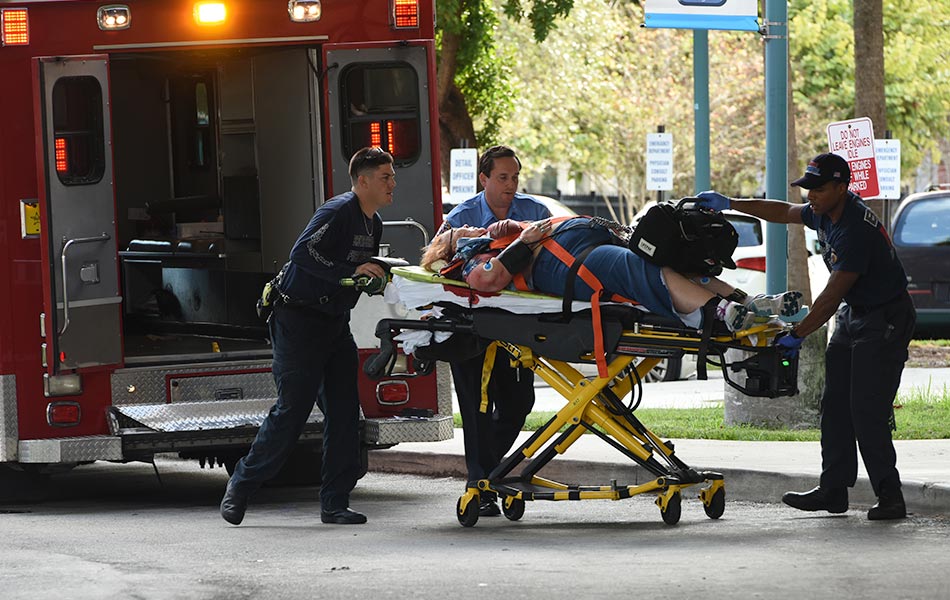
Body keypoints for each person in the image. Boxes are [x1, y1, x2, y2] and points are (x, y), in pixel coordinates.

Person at [697, 152, 916, 520]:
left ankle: (891, 496)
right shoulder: (824, 211)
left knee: (867, 409)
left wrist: (797, 333)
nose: (810, 195)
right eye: (808, 188)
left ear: (841, 188)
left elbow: (830, 295)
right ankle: (834, 490)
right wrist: (730, 203)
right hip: (855, 313)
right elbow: (784, 211)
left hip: (886, 318)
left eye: (818, 188)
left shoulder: (854, 230)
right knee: (835, 406)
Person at [220, 147, 395, 526]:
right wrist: (350, 270)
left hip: (334, 324)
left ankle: (334, 503)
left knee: (345, 413)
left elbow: (350, 272)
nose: (392, 183)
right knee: (293, 411)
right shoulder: (338, 211)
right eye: (385, 177)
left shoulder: (374, 223)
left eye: (392, 176)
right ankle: (241, 485)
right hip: (297, 321)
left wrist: (372, 278)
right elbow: (303, 253)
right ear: (362, 181)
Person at [422, 217, 802, 333]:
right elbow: (487, 281)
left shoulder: (496, 236)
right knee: (632, 266)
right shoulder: (469, 260)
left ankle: (747, 302)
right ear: (450, 247)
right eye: (458, 230)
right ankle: (717, 313)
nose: (467, 227)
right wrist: (523, 240)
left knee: (669, 261)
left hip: (579, 249)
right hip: (568, 266)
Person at [441, 145, 551, 516]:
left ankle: (488, 475)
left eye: (515, 177)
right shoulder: (462, 217)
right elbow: (438, 264)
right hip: (471, 325)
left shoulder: (535, 213)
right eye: (502, 177)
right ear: (483, 179)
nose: (510, 185)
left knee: (520, 402)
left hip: (518, 325)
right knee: (476, 409)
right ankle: (482, 486)